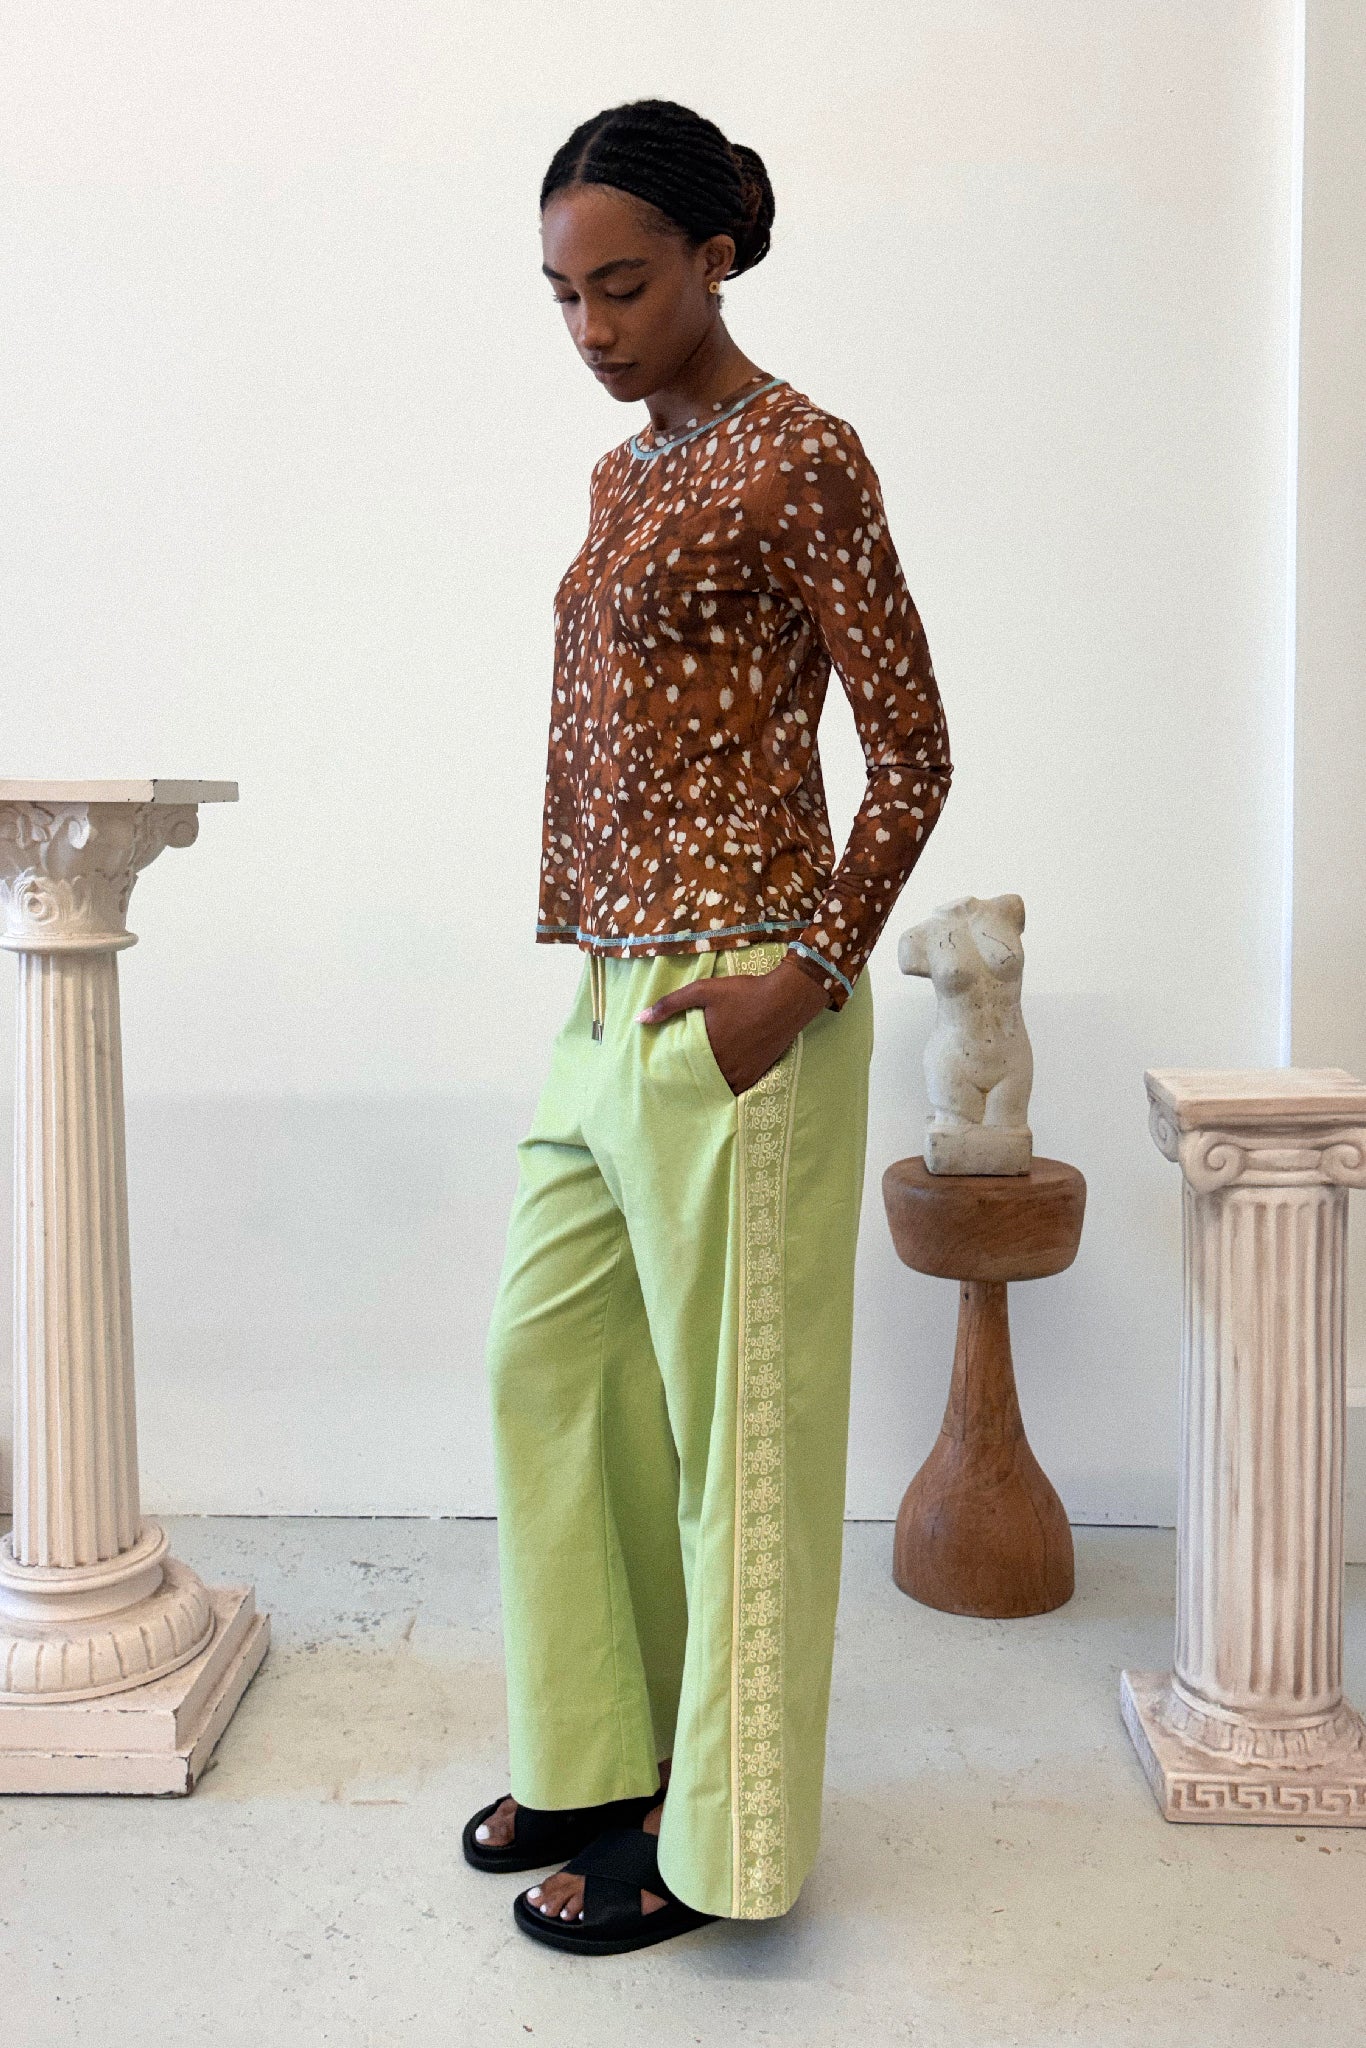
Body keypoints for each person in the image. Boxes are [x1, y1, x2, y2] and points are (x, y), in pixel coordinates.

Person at [462, 97, 953, 1955]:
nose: (590, 327)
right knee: (547, 1375)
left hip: (744, 994)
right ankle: (601, 1754)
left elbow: (912, 750)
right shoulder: (625, 476)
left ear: (713, 259)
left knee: (738, 1441)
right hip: (606, 996)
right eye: (562, 296)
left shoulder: (802, 454)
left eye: (624, 286)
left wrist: (803, 978)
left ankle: (720, 1851)